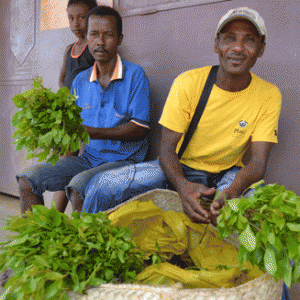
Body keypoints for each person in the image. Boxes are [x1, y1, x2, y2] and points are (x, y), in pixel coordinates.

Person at [81, 7, 281, 222]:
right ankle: (86, 242)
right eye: (229, 38)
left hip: (229, 175)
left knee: (259, 223)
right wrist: (183, 187)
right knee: (103, 185)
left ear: (261, 49)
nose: (238, 48)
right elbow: (167, 148)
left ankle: (253, 251)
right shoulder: (187, 83)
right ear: (217, 45)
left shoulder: (269, 95)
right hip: (180, 167)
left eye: (250, 40)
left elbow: (258, 162)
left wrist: (233, 191)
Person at [16, 5, 151, 214]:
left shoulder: (135, 75)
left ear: (119, 39)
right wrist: (57, 137)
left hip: (123, 162)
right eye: (94, 35)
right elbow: (73, 127)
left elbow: (140, 128)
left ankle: (83, 245)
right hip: (88, 159)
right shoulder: (80, 81)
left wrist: (90, 132)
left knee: (79, 187)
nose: (100, 41)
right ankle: (40, 242)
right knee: (27, 180)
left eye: (108, 35)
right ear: (86, 39)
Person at [55, 0, 98, 213]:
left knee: (81, 161)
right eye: (71, 18)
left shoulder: (94, 48)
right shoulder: (69, 49)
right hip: (70, 115)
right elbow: (63, 77)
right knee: (65, 162)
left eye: (82, 17)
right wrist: (64, 96)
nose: (76, 23)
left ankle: (79, 213)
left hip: (88, 115)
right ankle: (56, 214)